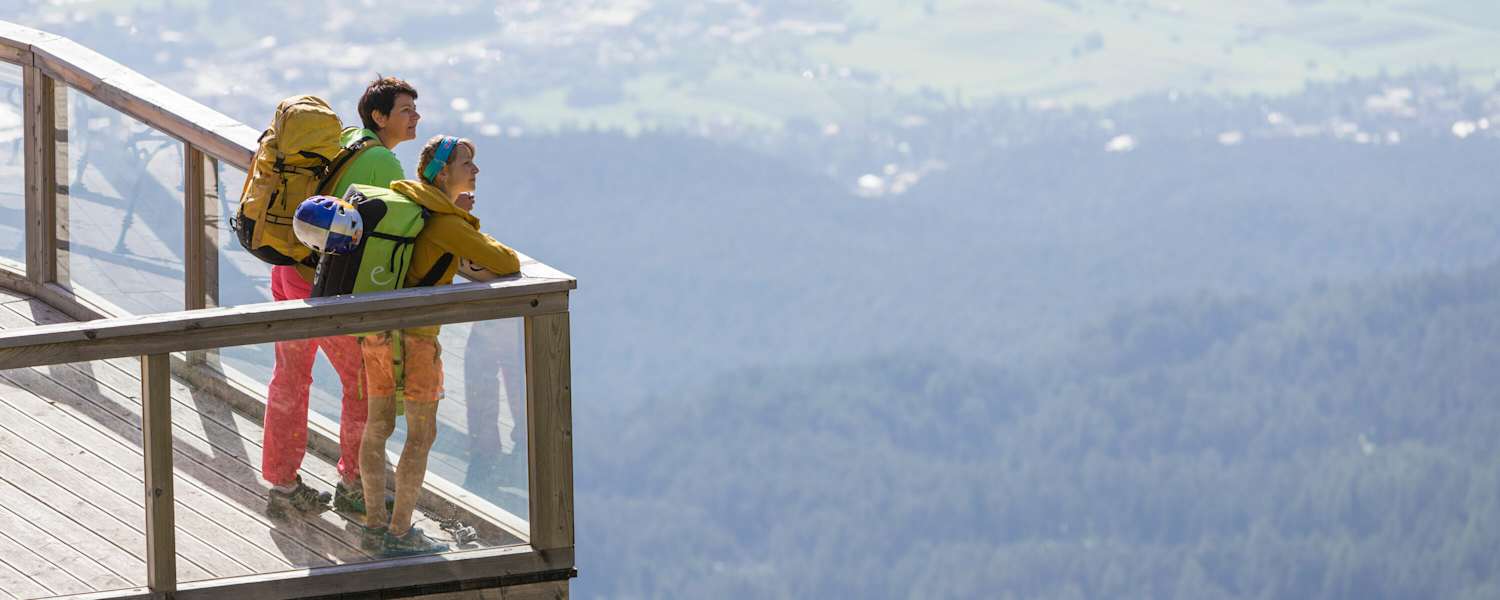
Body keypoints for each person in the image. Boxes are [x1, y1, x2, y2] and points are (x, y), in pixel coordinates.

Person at [263, 76, 421, 518]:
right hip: (324, 286)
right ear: (380, 116)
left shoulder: (346, 139)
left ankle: (281, 481)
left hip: (288, 268)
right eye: (406, 110)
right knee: (364, 384)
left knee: (291, 376)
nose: (416, 118)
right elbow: (389, 234)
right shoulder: (385, 165)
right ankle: (354, 480)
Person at [360, 135, 521, 555]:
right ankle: (400, 533)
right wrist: (465, 223)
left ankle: (373, 524)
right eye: (468, 162)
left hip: (378, 332)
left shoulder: (409, 203)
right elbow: (506, 263)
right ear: (443, 173)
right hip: (417, 341)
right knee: (420, 434)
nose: (476, 170)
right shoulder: (446, 222)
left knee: (377, 428)